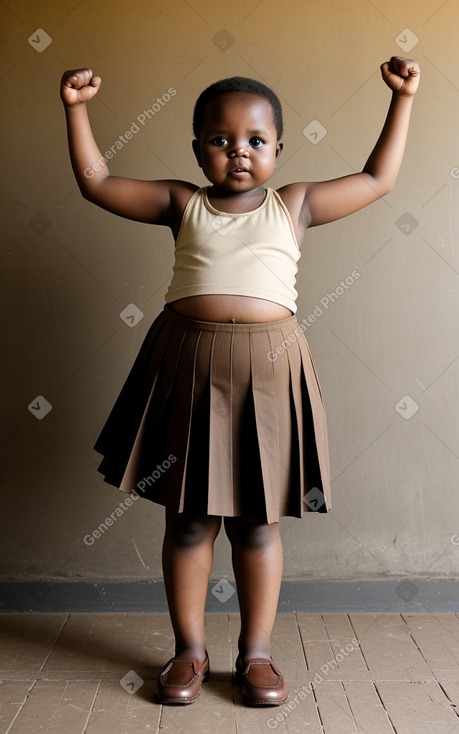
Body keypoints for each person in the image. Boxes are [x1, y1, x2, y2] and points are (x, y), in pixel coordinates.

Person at [60, 57, 420, 707]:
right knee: (189, 519)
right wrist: (75, 109)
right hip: (186, 366)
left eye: (255, 141)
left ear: (279, 150)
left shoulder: (297, 204)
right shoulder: (181, 201)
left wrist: (402, 99)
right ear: (197, 149)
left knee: (256, 522)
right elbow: (97, 183)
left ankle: (255, 655)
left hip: (269, 371)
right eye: (220, 141)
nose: (238, 154)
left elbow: (376, 178)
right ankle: (188, 652)